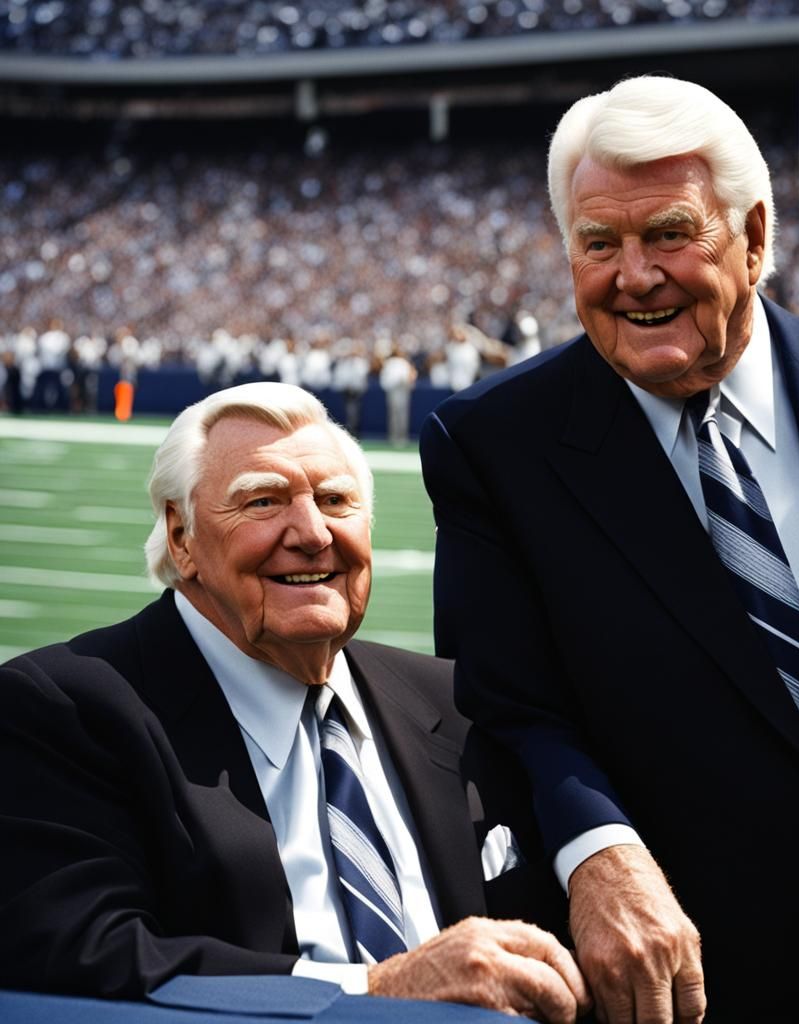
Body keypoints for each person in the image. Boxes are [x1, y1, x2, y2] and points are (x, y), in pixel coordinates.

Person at [419, 77, 799, 1023]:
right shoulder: (493, 443)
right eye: (599, 244)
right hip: (682, 989)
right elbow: (508, 708)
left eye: (668, 233)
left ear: (753, 233)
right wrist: (599, 855)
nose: (634, 275)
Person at [0, 382, 587, 1024]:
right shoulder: (63, 707)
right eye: (262, 501)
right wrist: (372, 988)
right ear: (182, 537)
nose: (311, 533)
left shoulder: (456, 698)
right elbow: (84, 953)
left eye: (335, 500)